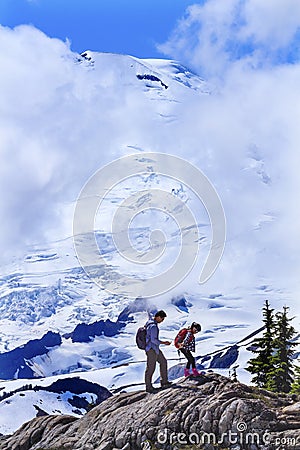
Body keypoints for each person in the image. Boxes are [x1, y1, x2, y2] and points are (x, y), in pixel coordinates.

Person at [145, 310, 172, 393]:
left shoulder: (149, 323)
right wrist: (164, 342)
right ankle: (149, 387)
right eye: (162, 318)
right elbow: (154, 340)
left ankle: (164, 382)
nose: (162, 320)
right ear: (157, 317)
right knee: (151, 368)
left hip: (153, 349)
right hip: (152, 349)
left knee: (163, 362)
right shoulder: (153, 326)